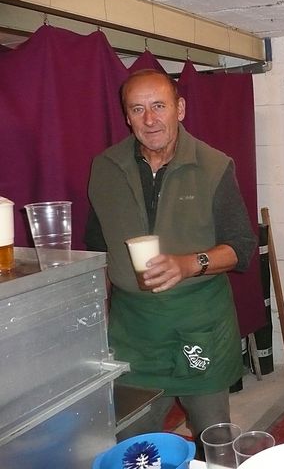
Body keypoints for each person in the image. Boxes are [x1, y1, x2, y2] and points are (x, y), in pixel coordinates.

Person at [85, 69, 257, 452]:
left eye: (159, 106)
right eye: (138, 109)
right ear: (127, 116)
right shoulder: (105, 169)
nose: (150, 119)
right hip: (134, 335)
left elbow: (242, 246)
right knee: (133, 446)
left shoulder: (214, 165)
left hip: (199, 326)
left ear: (180, 109)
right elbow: (97, 247)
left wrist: (188, 264)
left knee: (215, 442)